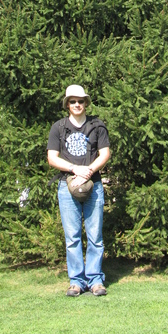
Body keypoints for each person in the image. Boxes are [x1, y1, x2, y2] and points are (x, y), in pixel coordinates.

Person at [47, 84, 110, 297]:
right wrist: (75, 169)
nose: (77, 105)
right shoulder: (58, 127)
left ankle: (95, 280)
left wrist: (89, 171)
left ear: (86, 103)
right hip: (67, 187)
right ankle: (76, 281)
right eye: (73, 101)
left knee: (95, 235)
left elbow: (105, 153)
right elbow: (52, 157)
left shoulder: (97, 125)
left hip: (95, 186)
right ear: (67, 104)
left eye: (80, 101)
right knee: (72, 237)